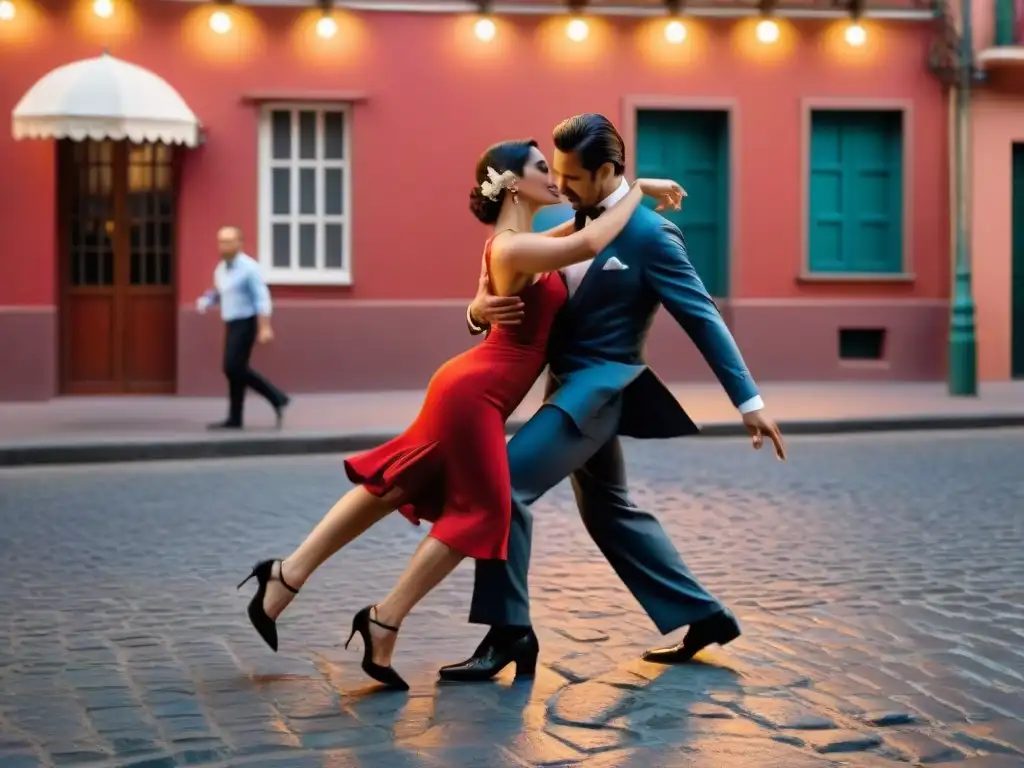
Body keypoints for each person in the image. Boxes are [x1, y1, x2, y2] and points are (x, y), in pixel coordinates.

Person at [237, 138, 685, 691]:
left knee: (397, 481)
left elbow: (578, 231)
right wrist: (639, 188)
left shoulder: (516, 242)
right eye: (544, 168)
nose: (557, 178)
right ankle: (384, 620)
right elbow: (592, 237)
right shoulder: (511, 248)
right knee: (482, 513)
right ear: (515, 183)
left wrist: (476, 308)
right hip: (475, 396)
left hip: (469, 387)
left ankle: (286, 575)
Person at [437, 114, 787, 683]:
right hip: (564, 384)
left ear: (606, 171)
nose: (561, 186)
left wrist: (750, 402)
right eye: (556, 172)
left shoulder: (652, 236)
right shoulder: (567, 223)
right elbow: (498, 277)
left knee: (505, 486)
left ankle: (509, 633)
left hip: (599, 390)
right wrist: (476, 313)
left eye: (573, 177)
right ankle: (705, 616)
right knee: (609, 510)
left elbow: (702, 317)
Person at [196, 226, 290, 431]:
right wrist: (207, 299)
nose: (224, 246)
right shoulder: (221, 268)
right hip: (230, 322)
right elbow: (220, 292)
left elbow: (262, 297)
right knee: (234, 370)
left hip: (246, 322)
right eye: (221, 241)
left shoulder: (249, 268)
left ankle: (276, 396)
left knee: (232, 367)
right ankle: (235, 418)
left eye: (229, 241)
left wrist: (265, 327)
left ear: (239, 243)